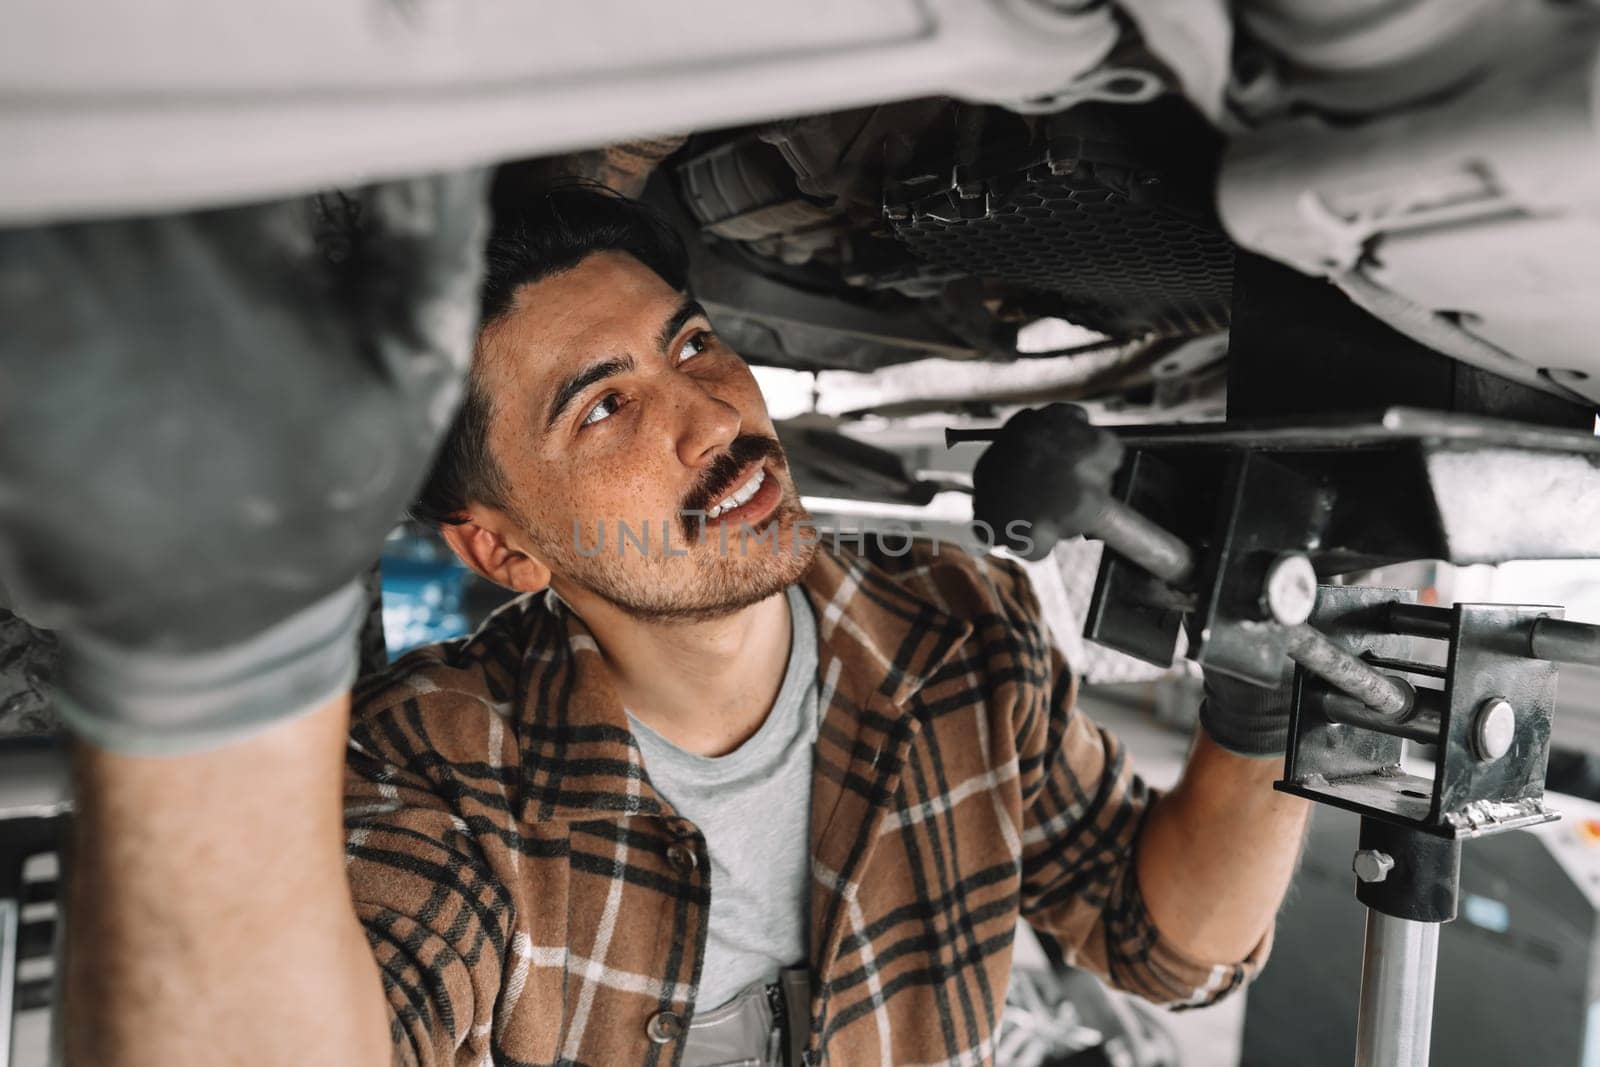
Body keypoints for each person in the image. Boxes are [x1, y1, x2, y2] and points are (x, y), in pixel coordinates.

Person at [7, 181, 1308, 1067]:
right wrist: (215, 647)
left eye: (688, 345)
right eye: (602, 407)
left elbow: (1160, 946)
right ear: (502, 549)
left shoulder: (963, 619)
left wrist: (1269, 684)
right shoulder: (447, 766)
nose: (709, 412)